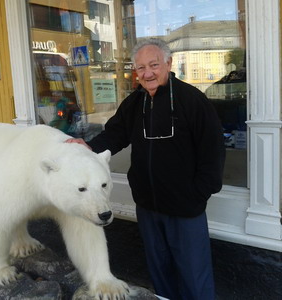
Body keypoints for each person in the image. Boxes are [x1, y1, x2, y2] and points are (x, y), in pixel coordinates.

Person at [66, 38, 225, 300]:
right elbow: (114, 135)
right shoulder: (134, 103)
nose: (147, 73)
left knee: (195, 276)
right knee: (160, 272)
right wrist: (88, 149)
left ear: (168, 63)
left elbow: (213, 150)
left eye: (153, 65)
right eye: (140, 68)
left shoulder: (192, 100)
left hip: (185, 207)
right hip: (148, 206)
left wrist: (199, 192)